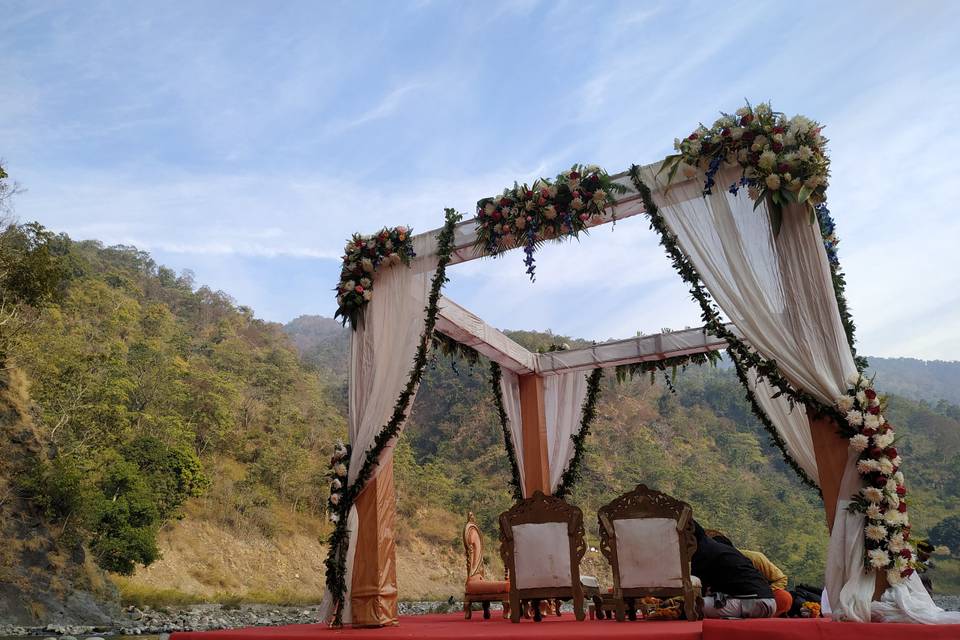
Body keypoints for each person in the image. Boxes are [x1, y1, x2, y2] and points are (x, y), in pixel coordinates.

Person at [691, 521, 776, 618]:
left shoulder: (704, 553)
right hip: (765, 601)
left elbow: (697, 591)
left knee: (692, 607)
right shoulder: (717, 549)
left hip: (757, 603)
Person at [707, 531, 793, 617]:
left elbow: (781, 579)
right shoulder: (710, 561)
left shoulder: (755, 558)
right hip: (731, 599)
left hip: (760, 598)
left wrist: (765, 593)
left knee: (784, 597)